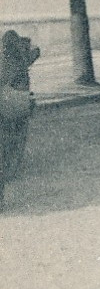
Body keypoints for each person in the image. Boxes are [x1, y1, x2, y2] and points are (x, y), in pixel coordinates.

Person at [0, 30, 39, 210]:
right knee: (11, 143)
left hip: (7, 108)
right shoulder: (18, 60)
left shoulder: (8, 62)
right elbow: (34, 53)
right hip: (16, 106)